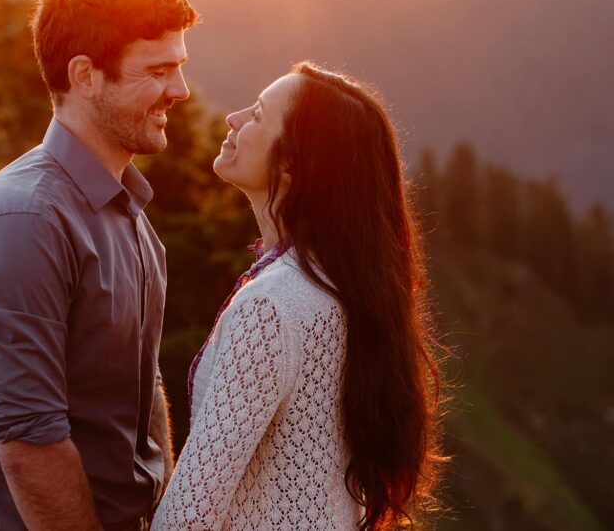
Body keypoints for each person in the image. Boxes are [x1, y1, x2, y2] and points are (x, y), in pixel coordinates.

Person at [0, 0, 198, 531]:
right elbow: (28, 438)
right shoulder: (24, 221)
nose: (180, 90)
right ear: (85, 76)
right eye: (158, 69)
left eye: (179, 67)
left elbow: (143, 382)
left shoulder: (127, 210)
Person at [151, 62, 446, 530]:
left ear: (291, 165)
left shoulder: (271, 306)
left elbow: (188, 514)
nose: (234, 118)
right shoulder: (344, 289)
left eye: (258, 115)